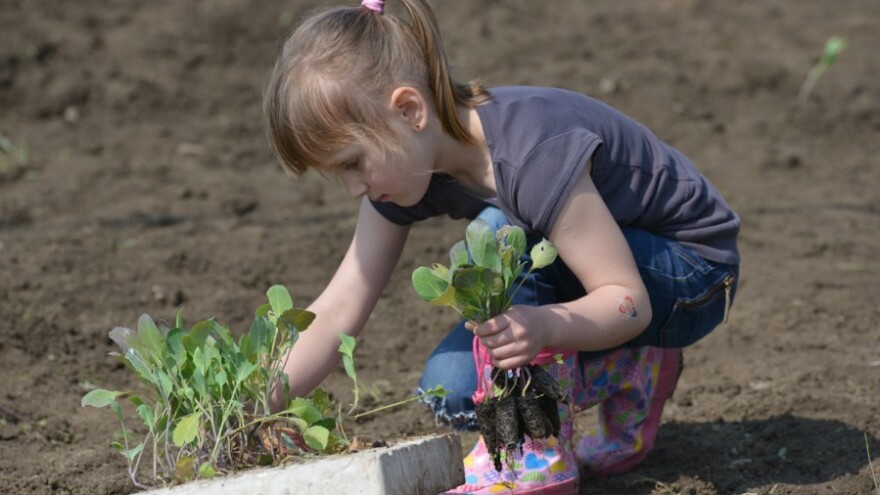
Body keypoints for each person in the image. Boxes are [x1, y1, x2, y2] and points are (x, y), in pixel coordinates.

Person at [263, 0, 740, 493]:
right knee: (456, 385)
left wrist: (540, 324)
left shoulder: (531, 154)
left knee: (496, 237)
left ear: (410, 110)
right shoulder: (407, 163)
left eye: (352, 163)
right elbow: (340, 306)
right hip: (606, 279)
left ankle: (537, 454)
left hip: (690, 276)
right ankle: (631, 366)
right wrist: (251, 404)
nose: (352, 188)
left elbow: (630, 301)